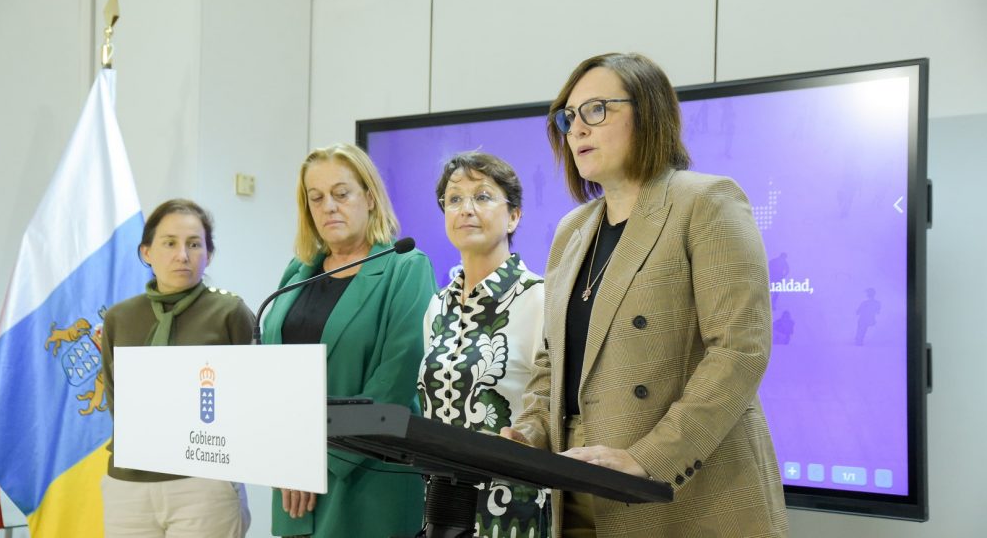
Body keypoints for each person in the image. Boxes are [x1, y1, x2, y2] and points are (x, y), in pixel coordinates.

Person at [501, 53, 789, 537]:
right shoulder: (572, 230)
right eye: (568, 118)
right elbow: (553, 362)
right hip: (571, 485)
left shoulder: (706, 201)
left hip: (683, 490)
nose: (577, 129)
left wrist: (647, 459)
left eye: (596, 110)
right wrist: (529, 434)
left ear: (649, 112)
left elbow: (739, 351)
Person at [262, 143, 437, 538]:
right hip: (292, 483)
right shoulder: (297, 273)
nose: (329, 207)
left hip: (366, 479)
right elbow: (271, 375)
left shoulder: (405, 267)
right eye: (316, 198)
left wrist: (316, 462)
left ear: (369, 198)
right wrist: (285, 458)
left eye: (342, 194)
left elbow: (394, 382)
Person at [100, 199, 254, 538]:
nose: (182, 255)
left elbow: (251, 398)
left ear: (209, 254)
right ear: (146, 252)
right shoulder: (119, 318)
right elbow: (116, 398)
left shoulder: (229, 312)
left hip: (203, 483)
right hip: (129, 484)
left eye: (194, 244)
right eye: (169, 243)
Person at [418, 152, 549, 537]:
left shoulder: (539, 298)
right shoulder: (437, 305)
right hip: (441, 510)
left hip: (512, 510)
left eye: (483, 197)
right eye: (454, 199)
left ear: (514, 216)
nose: (466, 209)